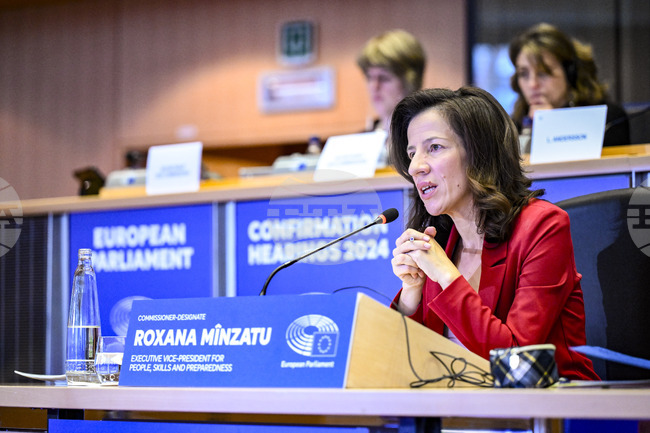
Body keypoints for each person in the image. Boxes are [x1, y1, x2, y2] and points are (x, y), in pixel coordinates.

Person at [388, 86, 599, 381]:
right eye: (412, 153)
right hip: (460, 404)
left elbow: (516, 360)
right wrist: (410, 295)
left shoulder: (543, 226)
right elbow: (403, 367)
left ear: (479, 154)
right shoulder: (439, 242)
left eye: (434, 147)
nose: (415, 167)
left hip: (550, 403)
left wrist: (447, 276)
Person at [509, 22, 630, 147]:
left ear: (570, 73)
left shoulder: (607, 120)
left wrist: (553, 126)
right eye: (523, 74)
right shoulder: (511, 128)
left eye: (543, 73)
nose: (532, 84)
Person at [357, 29, 426, 134]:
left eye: (384, 78)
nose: (374, 86)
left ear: (410, 81)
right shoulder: (360, 140)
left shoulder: (427, 136)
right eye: (370, 77)